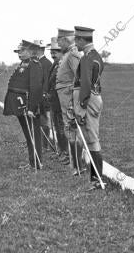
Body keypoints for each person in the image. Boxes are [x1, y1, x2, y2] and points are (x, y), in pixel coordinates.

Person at [3, 40, 43, 170]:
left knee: (33, 134)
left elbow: (36, 87)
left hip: (28, 105)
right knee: (28, 134)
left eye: (22, 51)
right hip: (20, 104)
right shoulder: (24, 63)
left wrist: (32, 108)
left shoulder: (34, 64)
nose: (19, 53)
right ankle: (32, 162)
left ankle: (36, 163)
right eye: (18, 51)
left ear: (31, 52)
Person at [73, 26, 105, 189]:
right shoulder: (97, 56)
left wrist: (81, 107)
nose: (74, 43)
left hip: (88, 100)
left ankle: (97, 179)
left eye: (76, 39)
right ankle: (96, 177)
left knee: (92, 140)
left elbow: (85, 84)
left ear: (81, 40)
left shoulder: (86, 58)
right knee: (92, 138)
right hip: (96, 97)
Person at [56, 28, 83, 174]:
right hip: (65, 95)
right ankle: (75, 165)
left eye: (59, 41)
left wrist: (74, 100)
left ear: (65, 40)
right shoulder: (68, 54)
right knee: (69, 127)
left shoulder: (72, 54)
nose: (58, 45)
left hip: (69, 95)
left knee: (72, 127)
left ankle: (77, 165)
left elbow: (78, 77)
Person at [46, 37, 69, 162]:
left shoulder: (64, 64)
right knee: (57, 127)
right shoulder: (55, 64)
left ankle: (66, 153)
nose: (52, 54)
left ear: (62, 52)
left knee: (62, 128)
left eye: (55, 51)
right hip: (54, 102)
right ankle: (61, 151)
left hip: (61, 102)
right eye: (51, 51)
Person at [33, 40, 53, 151]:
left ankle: (44, 145)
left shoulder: (46, 63)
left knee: (44, 120)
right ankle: (39, 143)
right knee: (38, 120)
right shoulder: (37, 62)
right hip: (37, 96)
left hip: (43, 97)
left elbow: (46, 82)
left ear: (39, 50)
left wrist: (44, 95)